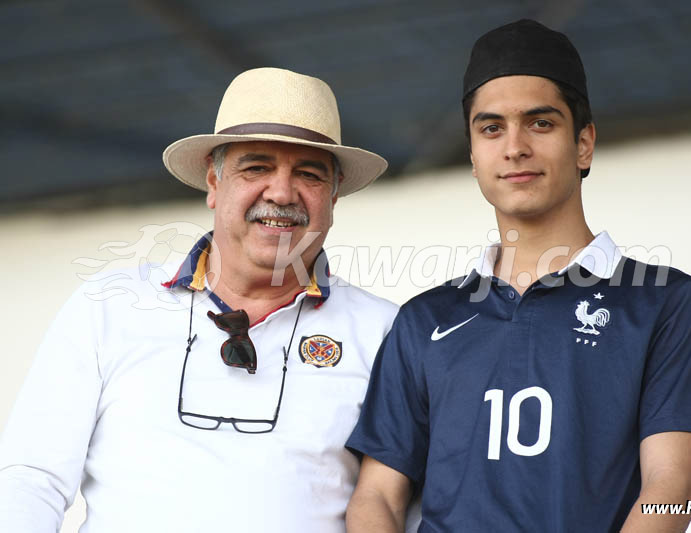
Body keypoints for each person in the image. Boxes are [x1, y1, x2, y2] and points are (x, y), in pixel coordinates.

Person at [345, 19, 691, 533]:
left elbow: (670, 490)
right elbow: (378, 498)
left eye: (540, 123)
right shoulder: (424, 319)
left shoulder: (665, 302)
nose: (514, 147)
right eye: (491, 128)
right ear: (473, 154)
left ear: (584, 143)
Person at [0, 67, 399, 532]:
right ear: (214, 182)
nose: (281, 192)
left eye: (309, 174)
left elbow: (398, 504)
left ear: (333, 198)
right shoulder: (108, 305)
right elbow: (32, 477)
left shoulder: (384, 332)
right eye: (256, 167)